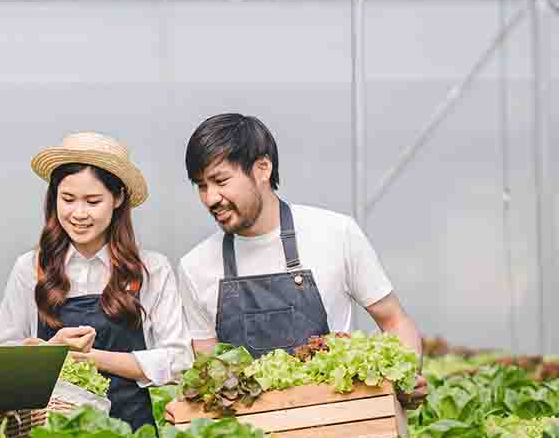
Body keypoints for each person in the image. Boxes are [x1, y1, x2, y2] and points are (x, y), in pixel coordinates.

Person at [176, 114, 428, 406]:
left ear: (262, 168)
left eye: (220, 181)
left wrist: (406, 375)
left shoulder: (335, 233)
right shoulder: (195, 266)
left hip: (341, 425)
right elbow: (209, 371)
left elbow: (395, 321)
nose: (210, 198)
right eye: (201, 186)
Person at [0, 132, 194, 431]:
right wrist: (51, 353)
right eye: (68, 199)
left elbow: (178, 359)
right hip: (51, 437)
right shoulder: (30, 268)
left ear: (118, 198)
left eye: (93, 201)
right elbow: (2, 358)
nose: (79, 214)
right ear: (54, 197)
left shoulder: (151, 269)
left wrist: (92, 358)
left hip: (132, 435)